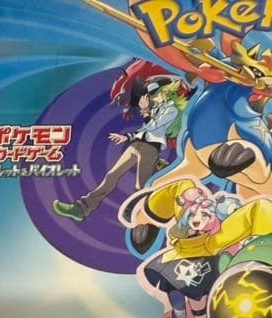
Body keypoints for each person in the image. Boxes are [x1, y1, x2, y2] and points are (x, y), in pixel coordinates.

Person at [52, 77, 191, 223]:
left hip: (150, 148)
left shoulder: (171, 110)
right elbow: (145, 130)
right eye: (150, 95)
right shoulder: (156, 109)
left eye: (154, 94)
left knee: (141, 185)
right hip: (137, 145)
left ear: (166, 91)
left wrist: (145, 110)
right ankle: (82, 208)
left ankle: (140, 216)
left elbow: (153, 126)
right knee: (112, 175)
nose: (151, 98)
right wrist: (127, 137)